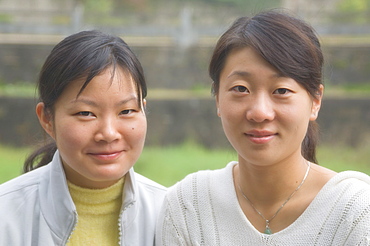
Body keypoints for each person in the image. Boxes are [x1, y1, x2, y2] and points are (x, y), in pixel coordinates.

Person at [156, 10, 370, 245]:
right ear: (217, 97)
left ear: (315, 101)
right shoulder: (189, 206)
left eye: (281, 91)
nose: (259, 112)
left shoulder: (355, 211)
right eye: (241, 89)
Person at [0, 30, 166, 245]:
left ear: (143, 110)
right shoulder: (6, 215)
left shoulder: (172, 214)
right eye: (85, 113)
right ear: (47, 119)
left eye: (126, 111)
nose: (108, 133)